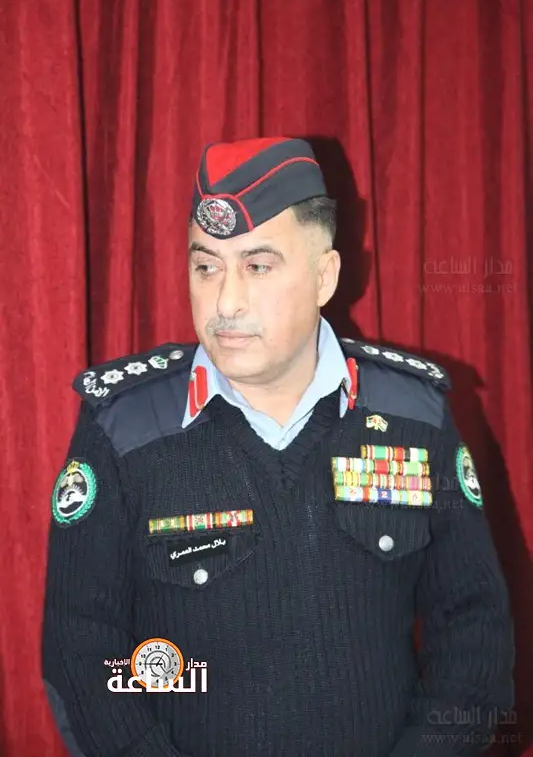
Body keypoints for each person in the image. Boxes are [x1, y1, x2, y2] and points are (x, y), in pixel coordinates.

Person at [42, 136, 514, 757]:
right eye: (206, 266)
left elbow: (474, 628)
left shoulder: (414, 418)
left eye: (257, 266)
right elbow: (82, 652)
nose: (225, 301)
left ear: (324, 277)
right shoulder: (126, 428)